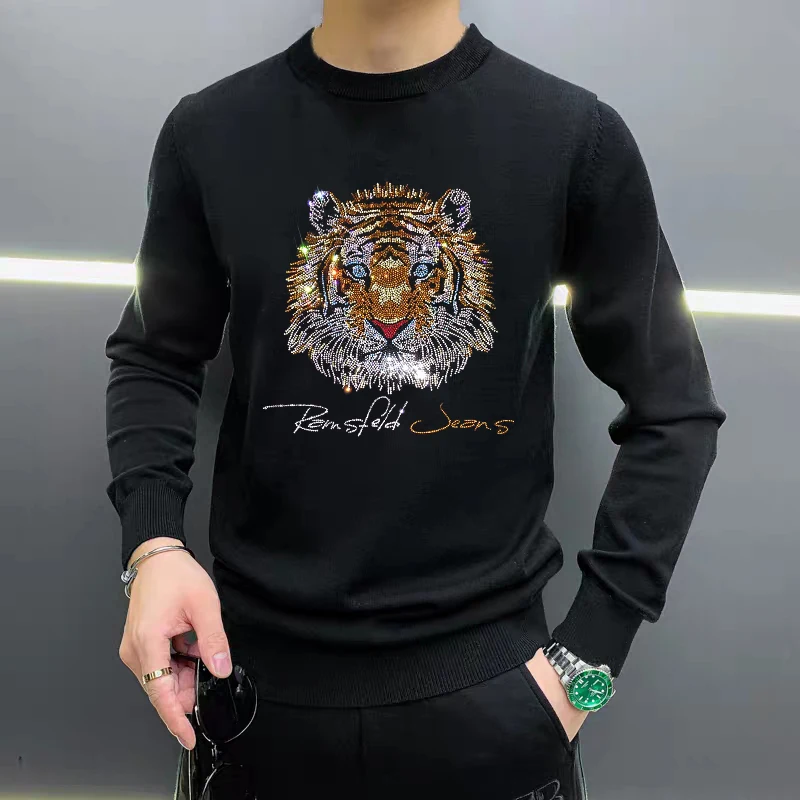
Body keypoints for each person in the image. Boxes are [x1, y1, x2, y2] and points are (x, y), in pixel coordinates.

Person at [104, 1, 727, 797]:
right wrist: (152, 546)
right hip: (254, 696)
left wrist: (587, 662)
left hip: (496, 702)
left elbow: (676, 408)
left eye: (421, 278)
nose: (392, 311)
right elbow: (154, 356)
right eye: (364, 278)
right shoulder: (211, 132)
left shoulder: (572, 137)